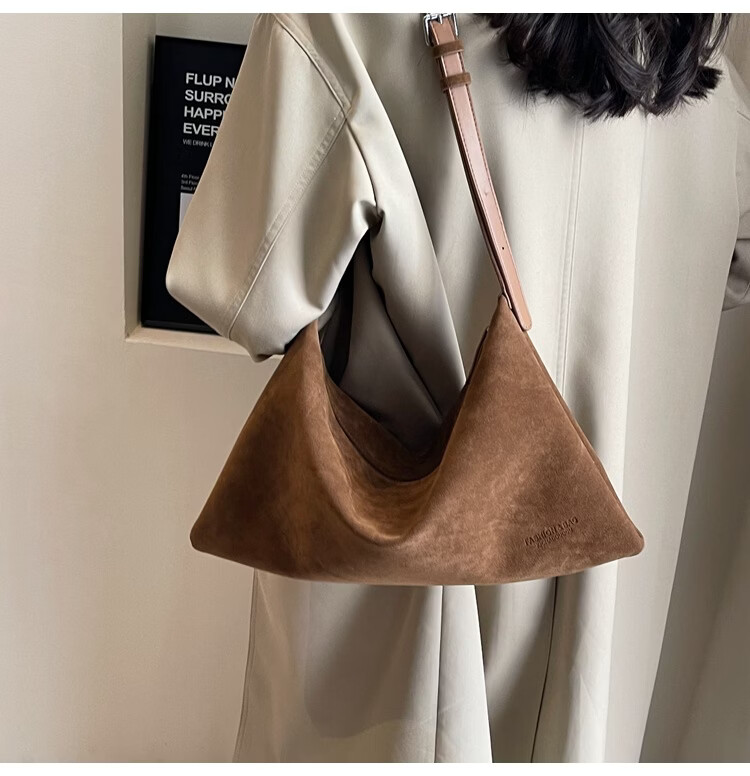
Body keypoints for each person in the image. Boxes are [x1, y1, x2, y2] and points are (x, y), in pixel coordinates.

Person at [165, 12, 750, 762]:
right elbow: (733, 269)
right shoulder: (705, 80)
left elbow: (243, 295)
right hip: (612, 649)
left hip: (413, 642)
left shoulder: (347, 23)